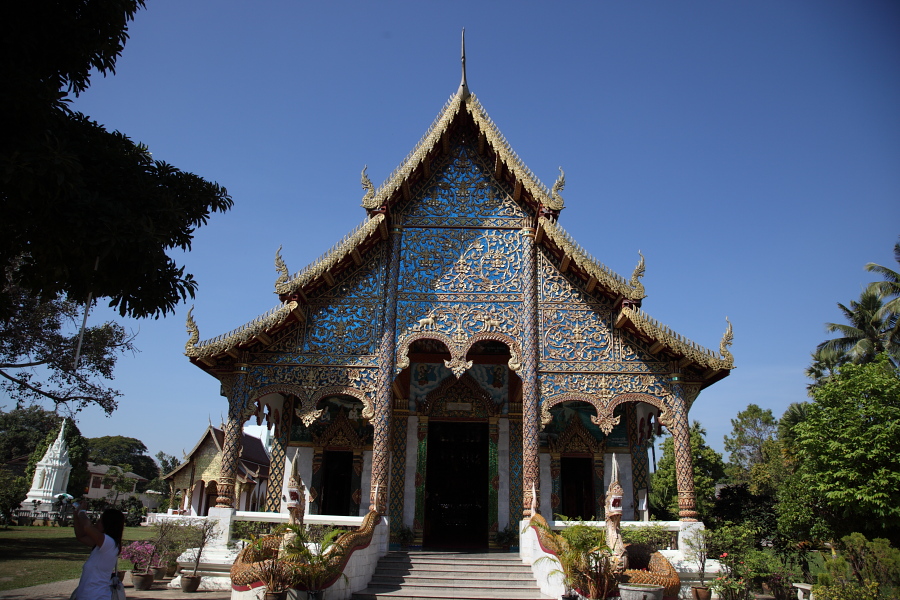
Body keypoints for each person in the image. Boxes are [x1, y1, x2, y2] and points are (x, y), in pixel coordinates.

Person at [71, 502, 125, 600]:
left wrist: (82, 511)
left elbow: (87, 527)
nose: (97, 523)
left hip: (97, 596)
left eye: (100, 521)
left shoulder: (109, 543)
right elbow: (81, 536)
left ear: (107, 524)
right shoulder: (103, 544)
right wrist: (76, 515)